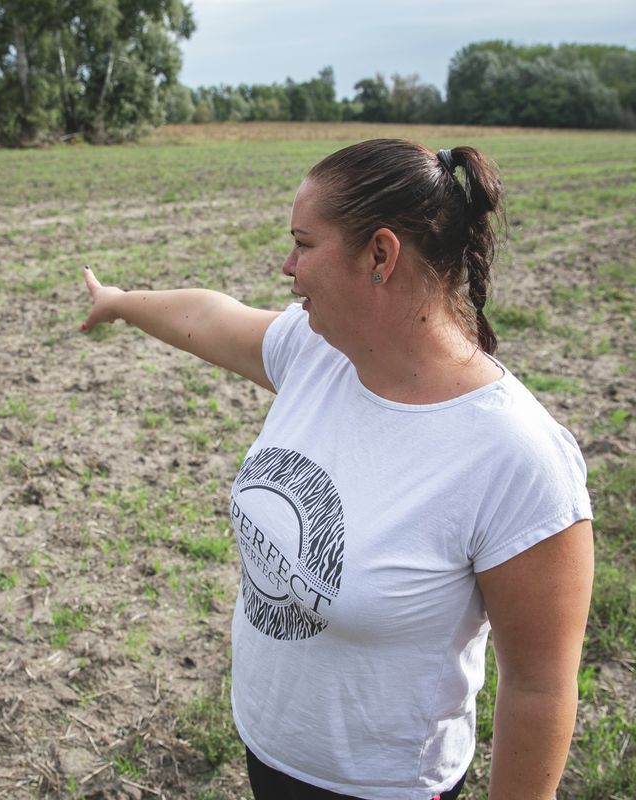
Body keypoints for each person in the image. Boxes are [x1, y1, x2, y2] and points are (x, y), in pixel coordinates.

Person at [80, 138, 593, 800]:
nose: (287, 266)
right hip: (268, 752)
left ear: (380, 254)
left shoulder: (516, 457)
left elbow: (540, 687)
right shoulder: (316, 352)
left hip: (387, 789)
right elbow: (209, 318)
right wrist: (121, 301)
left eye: (304, 243)